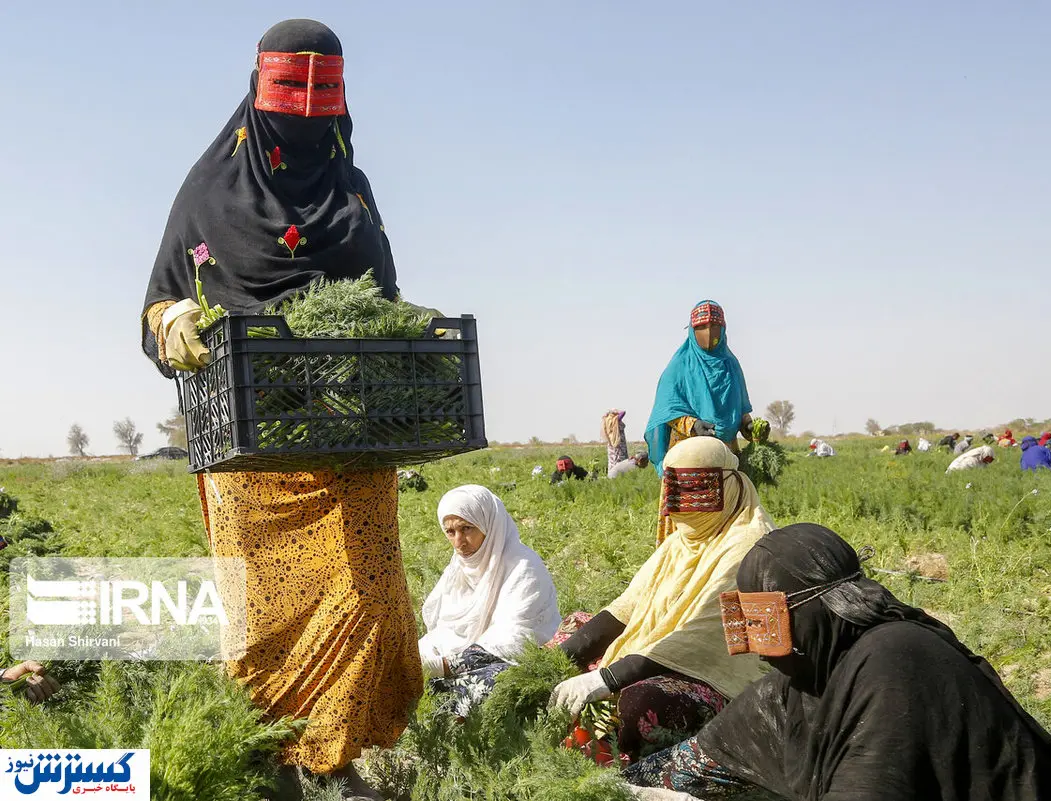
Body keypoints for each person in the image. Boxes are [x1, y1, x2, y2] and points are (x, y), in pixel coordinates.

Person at [139, 20, 422, 799]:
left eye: (322, 92)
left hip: (350, 436)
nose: (303, 112)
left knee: (367, 593)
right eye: (289, 89)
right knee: (266, 614)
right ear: (258, 89)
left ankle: (344, 759)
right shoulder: (209, 192)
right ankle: (275, 762)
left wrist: (400, 329)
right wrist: (172, 320)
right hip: (252, 447)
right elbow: (158, 297)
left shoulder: (352, 191)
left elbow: (383, 293)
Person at [623, 524, 1051, 801]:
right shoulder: (804, 682)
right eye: (748, 626)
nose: (761, 649)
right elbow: (699, 761)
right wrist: (612, 787)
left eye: (766, 625)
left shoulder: (896, 660)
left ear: (816, 607)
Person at [550, 437, 776, 761]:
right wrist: (557, 662)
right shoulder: (679, 542)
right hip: (664, 651)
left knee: (641, 703)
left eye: (696, 490)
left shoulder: (750, 547)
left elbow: (700, 637)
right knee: (574, 628)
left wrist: (606, 678)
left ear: (729, 486)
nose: (682, 504)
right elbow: (628, 606)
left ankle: (627, 758)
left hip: (719, 673)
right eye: (675, 491)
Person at [420, 486, 560, 717]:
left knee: (493, 684)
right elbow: (446, 630)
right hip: (457, 658)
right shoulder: (459, 569)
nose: (458, 542)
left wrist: (443, 666)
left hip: (510, 660)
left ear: (489, 524)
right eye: (450, 532)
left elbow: (515, 639)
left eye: (466, 528)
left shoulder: (524, 567)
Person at [644, 301, 752, 543]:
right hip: (689, 461)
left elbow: (741, 411)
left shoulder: (731, 365)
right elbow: (667, 410)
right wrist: (693, 424)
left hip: (726, 459)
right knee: (688, 530)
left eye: (715, 326)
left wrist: (750, 426)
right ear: (692, 331)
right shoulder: (680, 365)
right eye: (702, 327)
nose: (709, 333)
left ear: (724, 329)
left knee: (726, 531)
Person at [603, 410, 631, 475]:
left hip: (615, 448)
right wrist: (615, 411)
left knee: (614, 464)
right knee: (620, 466)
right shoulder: (615, 421)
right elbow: (623, 412)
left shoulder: (609, 423)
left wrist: (609, 413)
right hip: (620, 448)